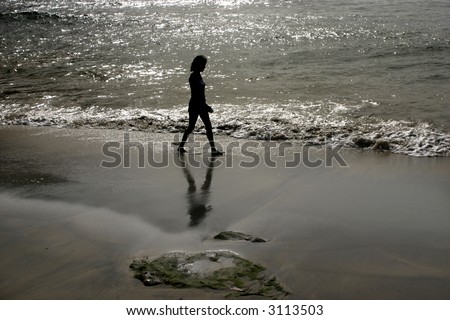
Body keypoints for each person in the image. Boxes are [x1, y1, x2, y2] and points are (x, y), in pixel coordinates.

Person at [177, 55, 223, 155]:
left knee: (202, 126)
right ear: (199, 65)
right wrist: (206, 106)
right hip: (196, 105)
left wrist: (205, 105)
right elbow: (197, 94)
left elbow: (200, 94)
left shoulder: (197, 75)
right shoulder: (193, 77)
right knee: (193, 127)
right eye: (203, 65)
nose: (204, 67)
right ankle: (212, 149)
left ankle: (181, 146)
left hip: (199, 104)